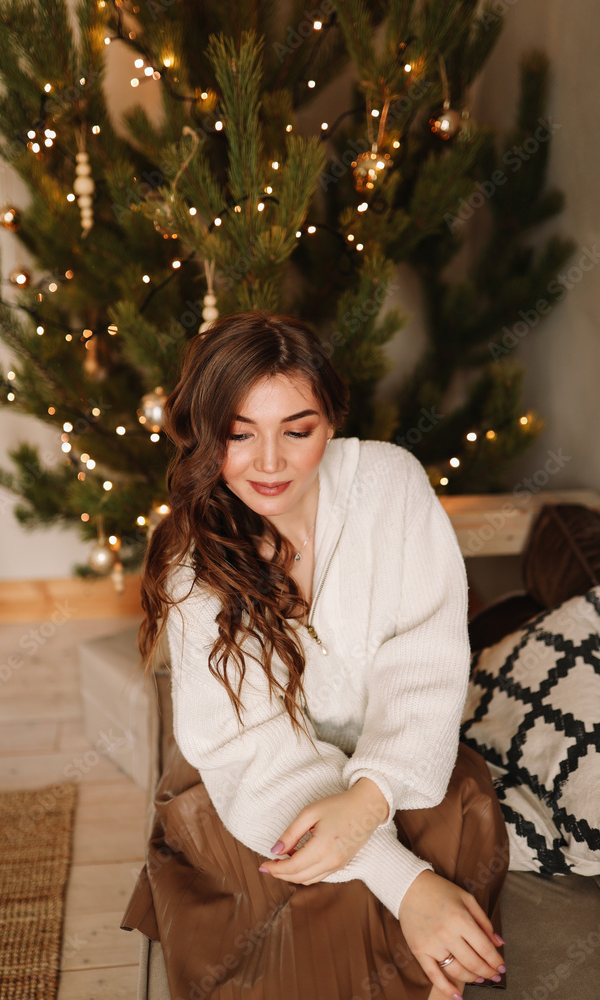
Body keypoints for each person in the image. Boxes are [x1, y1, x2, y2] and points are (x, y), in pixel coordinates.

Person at [121, 310, 510, 1000]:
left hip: (393, 763)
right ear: (205, 440)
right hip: (248, 781)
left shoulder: (389, 485)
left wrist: (369, 798)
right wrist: (403, 880)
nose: (268, 463)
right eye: (239, 435)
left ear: (330, 421)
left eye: (296, 431)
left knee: (456, 819)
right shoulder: (191, 561)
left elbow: (423, 660)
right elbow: (250, 746)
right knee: (321, 902)